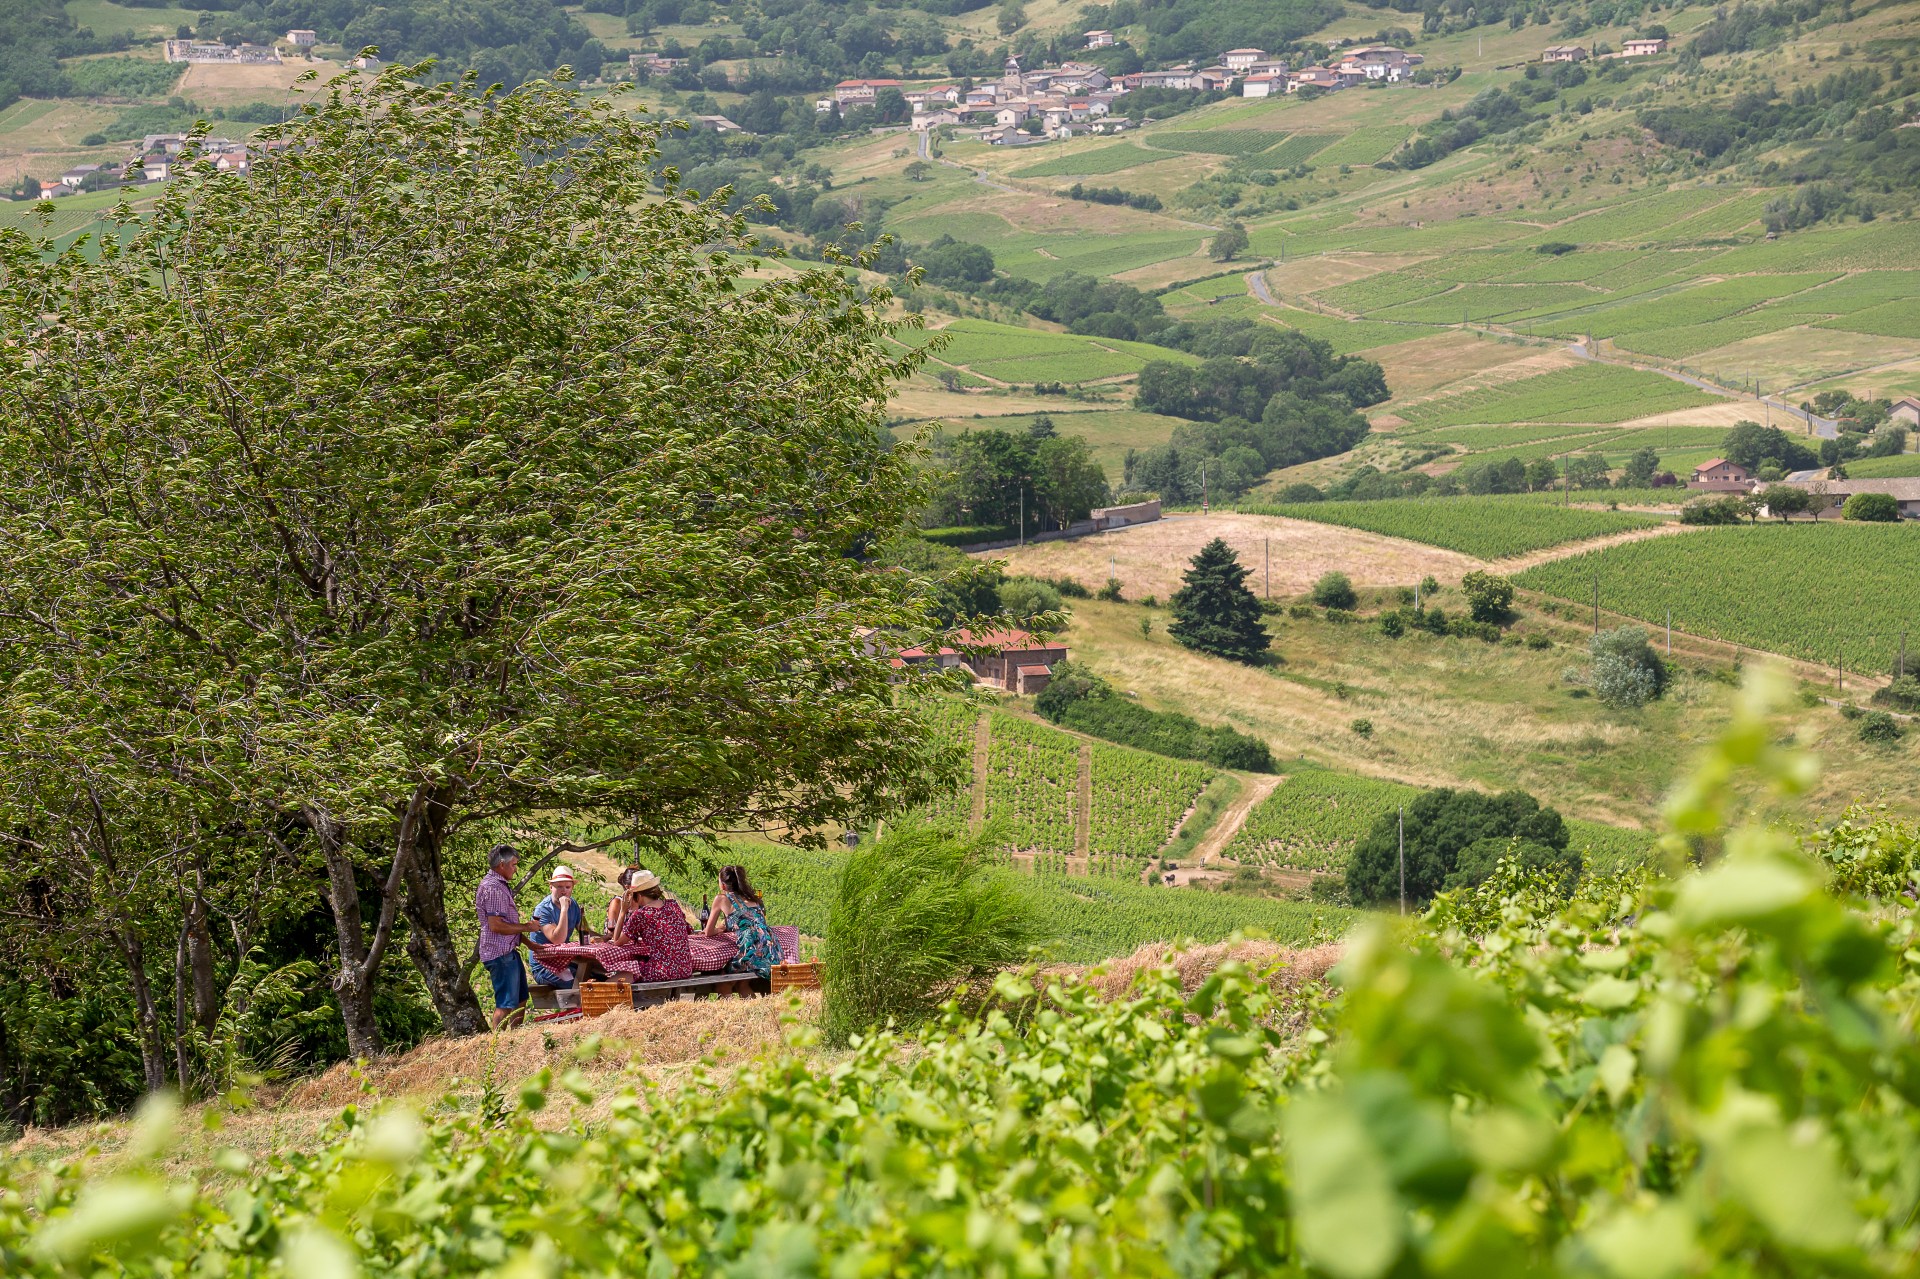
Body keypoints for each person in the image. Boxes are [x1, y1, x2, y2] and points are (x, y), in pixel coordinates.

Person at [475, 844, 548, 1029]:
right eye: (514, 864)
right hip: (500, 954)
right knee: (506, 1004)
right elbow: (496, 925)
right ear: (502, 864)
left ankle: (515, 1038)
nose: (516, 869)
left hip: (508, 952)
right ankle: (497, 1042)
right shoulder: (493, 888)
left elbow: (506, 924)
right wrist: (527, 927)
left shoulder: (499, 885)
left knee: (521, 999)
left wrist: (529, 944)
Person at [703, 864, 781, 978]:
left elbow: (708, 932)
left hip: (751, 951)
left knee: (724, 981)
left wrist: (720, 929)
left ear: (723, 885)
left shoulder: (721, 899)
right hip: (772, 950)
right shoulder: (753, 898)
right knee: (741, 983)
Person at [615, 870, 693, 982]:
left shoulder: (641, 914)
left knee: (618, 978)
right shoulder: (673, 905)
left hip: (663, 971)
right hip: (685, 969)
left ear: (639, 895)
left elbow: (617, 941)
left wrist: (623, 912)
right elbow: (688, 929)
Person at [527, 865, 586, 991]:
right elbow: (558, 939)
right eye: (559, 887)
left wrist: (604, 937)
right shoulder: (543, 909)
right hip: (544, 966)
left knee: (595, 976)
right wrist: (564, 909)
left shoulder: (573, 904)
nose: (564, 891)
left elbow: (583, 931)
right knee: (578, 984)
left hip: (564, 961)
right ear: (551, 887)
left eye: (567, 887)